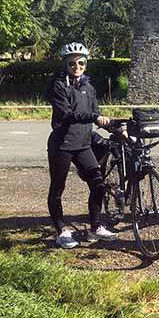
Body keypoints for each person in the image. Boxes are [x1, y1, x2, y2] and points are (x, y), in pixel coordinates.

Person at [46, 42, 117, 249]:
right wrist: (95, 116)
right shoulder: (58, 86)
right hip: (62, 144)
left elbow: (95, 115)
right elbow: (67, 114)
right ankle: (61, 230)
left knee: (98, 184)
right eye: (72, 63)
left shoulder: (89, 86)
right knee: (58, 188)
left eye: (81, 62)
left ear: (86, 64)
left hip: (83, 144)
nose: (77, 66)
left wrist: (113, 127)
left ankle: (95, 227)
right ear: (65, 64)